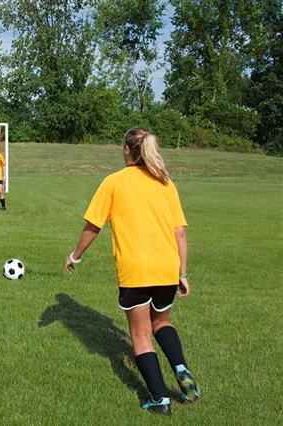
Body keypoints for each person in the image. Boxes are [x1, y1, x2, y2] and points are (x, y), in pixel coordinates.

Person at [64, 128, 201, 416]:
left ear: (128, 150)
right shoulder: (165, 183)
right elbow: (180, 232)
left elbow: (93, 226)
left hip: (136, 269)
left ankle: (160, 400)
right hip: (167, 267)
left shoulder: (114, 181)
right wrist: (183, 273)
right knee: (162, 322)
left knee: (140, 334)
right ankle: (181, 368)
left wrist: (75, 255)